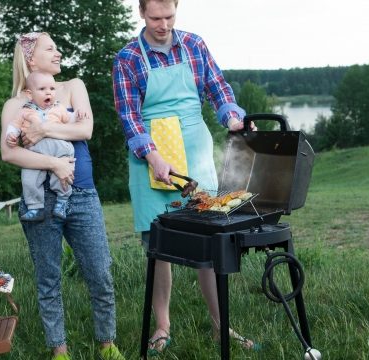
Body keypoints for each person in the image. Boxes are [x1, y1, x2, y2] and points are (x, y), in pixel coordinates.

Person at [112, 0, 258, 355]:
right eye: (155, 17)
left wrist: (233, 117)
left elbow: (218, 89)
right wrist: (153, 156)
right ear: (142, 14)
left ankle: (221, 325)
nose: (163, 24)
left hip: (194, 154)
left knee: (208, 240)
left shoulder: (194, 44)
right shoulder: (128, 58)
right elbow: (128, 116)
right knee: (159, 244)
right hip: (153, 158)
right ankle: (162, 326)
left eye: (169, 16)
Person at [1, 32, 125, 360]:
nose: (58, 53)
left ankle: (107, 344)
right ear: (30, 59)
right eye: (51, 48)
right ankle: (59, 350)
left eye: (58, 47)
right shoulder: (15, 104)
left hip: (82, 193)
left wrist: (43, 130)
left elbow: (85, 130)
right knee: (49, 277)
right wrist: (54, 163)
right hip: (41, 198)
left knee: (99, 271)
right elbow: (10, 153)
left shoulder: (73, 86)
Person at [6, 70, 75, 222]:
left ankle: (63, 202)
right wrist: (11, 135)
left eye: (51, 89)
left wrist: (78, 115)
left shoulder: (58, 108)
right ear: (30, 94)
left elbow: (70, 121)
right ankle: (35, 207)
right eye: (42, 89)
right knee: (29, 179)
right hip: (35, 155)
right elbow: (14, 126)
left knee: (62, 177)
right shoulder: (24, 111)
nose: (48, 93)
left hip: (60, 150)